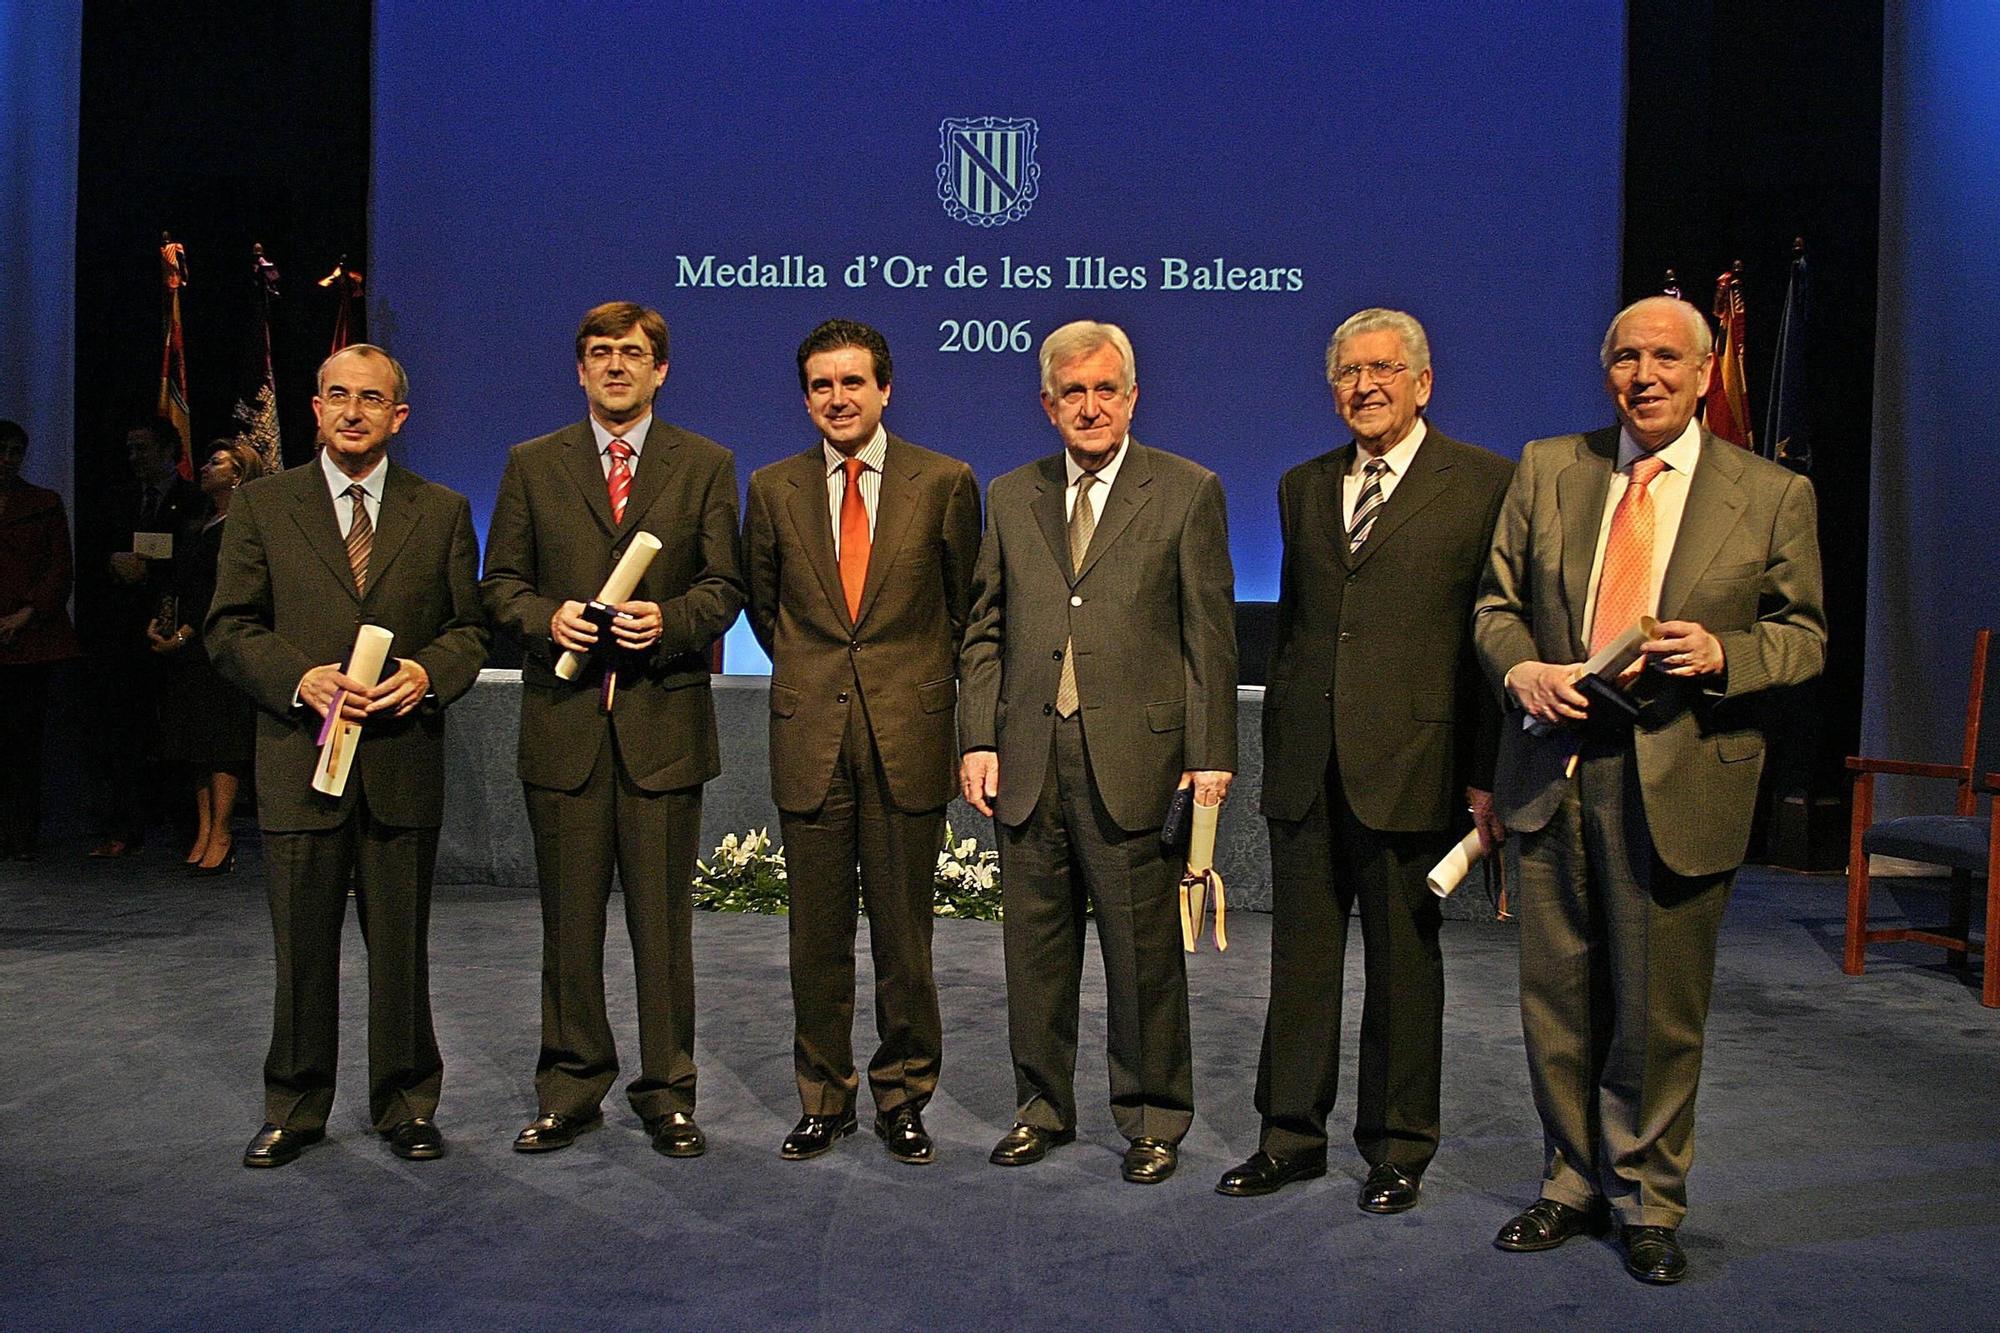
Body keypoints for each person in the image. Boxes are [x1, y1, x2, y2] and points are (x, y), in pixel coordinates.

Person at [1472, 295, 1826, 1283]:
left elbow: (1802, 637)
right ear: (1604, 372)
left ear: (1705, 370)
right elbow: (1496, 605)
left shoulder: (1767, 492)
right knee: (1555, 1000)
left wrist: (1721, 650)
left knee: (1658, 1011)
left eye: (1665, 357)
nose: (1643, 375)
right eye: (1624, 357)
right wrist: (1519, 670)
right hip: (1554, 766)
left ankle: (1647, 1201)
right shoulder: (1549, 466)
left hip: (1680, 775)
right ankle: (1569, 1183)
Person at [1217, 309, 1513, 1211]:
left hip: (1416, 766)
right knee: (1300, 965)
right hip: (1308, 767)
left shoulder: (1484, 483)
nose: (1365, 386)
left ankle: (1397, 1147)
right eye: (1348, 372)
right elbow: (1307, 629)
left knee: (1403, 967)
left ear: (1423, 382)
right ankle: (1290, 1136)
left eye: (1385, 369)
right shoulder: (1302, 485)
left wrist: (1485, 770)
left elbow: (1489, 640)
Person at [959, 319, 1237, 1185]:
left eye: (1104, 389)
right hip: (1029, 759)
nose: (1089, 406)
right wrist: (976, 733)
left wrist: (1210, 753)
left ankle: (1153, 1115)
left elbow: (1210, 639)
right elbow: (985, 630)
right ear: (1048, 405)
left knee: (1142, 957)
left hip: (1137, 763)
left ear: (1131, 396)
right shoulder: (1011, 495)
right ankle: (1041, 1107)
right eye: (1071, 392)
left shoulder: (1188, 490)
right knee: (1034, 952)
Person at [207, 345, 489, 1167]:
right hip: (301, 761)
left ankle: (407, 1102)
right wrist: (302, 679)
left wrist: (425, 675)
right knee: (302, 944)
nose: (354, 411)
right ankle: (294, 1105)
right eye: (339, 396)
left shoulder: (439, 509)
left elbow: (469, 630)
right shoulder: (263, 506)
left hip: (401, 761)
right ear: (316, 407)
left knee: (401, 946)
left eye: (372, 399)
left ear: (399, 416)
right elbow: (229, 628)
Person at [482, 301, 745, 1158]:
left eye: (633, 354)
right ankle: (570, 1085)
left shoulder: (705, 463)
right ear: (581, 368)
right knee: (568, 924)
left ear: (660, 369)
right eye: (600, 353)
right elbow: (500, 587)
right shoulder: (531, 463)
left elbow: (723, 587)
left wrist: (666, 622)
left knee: (663, 928)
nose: (616, 366)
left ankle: (668, 1090)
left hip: (660, 728)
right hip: (563, 731)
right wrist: (548, 617)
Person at [744, 320, 981, 1164]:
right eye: (820, 385)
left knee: (903, 937)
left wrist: (902, 684)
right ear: (805, 396)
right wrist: (822, 679)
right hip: (810, 734)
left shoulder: (945, 481)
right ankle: (824, 1096)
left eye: (852, 382)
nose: (837, 399)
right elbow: (768, 611)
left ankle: (903, 1094)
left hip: (905, 737)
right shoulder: (772, 488)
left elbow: (964, 608)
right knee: (814, 936)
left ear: (885, 388)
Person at [150, 440, 266, 874]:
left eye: (216, 462)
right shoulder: (200, 522)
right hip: (188, 651)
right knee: (195, 745)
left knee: (221, 745)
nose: (204, 466)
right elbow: (183, 583)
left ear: (238, 475)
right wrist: (162, 623)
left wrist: (185, 633)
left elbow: (225, 591)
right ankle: (203, 833)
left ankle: (222, 834)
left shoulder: (244, 525)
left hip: (218, 646)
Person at [87, 420, 201, 857]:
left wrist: (150, 571)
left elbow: (194, 563)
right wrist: (113, 563)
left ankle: (186, 830)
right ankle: (123, 826)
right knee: (123, 734)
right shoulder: (117, 499)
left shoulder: (192, 500)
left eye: (144, 448)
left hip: (173, 631)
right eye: (130, 449)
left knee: (174, 735)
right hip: (121, 636)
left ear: (170, 449)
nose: (135, 457)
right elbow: (96, 555)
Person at [0, 420, 83, 860]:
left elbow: (59, 570)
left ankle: (22, 833)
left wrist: (25, 614)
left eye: (15, 452)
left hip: (32, 641)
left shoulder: (42, 503)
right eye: (2, 451)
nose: (7, 460)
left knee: (26, 743)